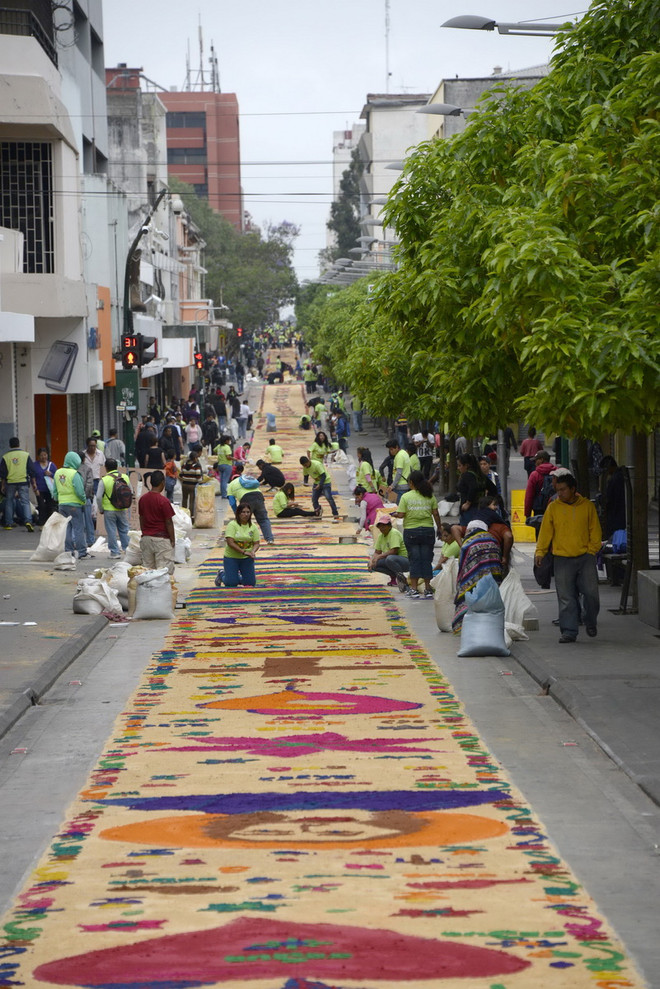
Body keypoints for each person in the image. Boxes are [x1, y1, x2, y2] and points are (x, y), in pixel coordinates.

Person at [535, 473, 602, 643]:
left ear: (573, 489)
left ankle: (590, 620)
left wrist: (592, 550)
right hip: (562, 559)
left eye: (563, 490)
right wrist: (540, 552)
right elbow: (545, 532)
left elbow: (595, 530)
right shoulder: (553, 508)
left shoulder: (587, 506)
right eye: (558, 490)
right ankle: (569, 631)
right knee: (566, 597)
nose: (560, 494)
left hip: (585, 557)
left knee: (591, 594)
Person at [392, 471, 441, 599]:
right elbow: (435, 513)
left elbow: (401, 514)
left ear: (411, 483)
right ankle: (428, 588)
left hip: (411, 532)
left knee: (414, 559)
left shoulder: (406, 497)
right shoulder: (429, 496)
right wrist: (440, 528)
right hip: (428, 531)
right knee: (426, 559)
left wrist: (394, 514)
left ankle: (413, 589)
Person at [452, 520, 504, 632]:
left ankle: (465, 625)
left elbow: (463, 568)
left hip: (474, 576)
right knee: (491, 595)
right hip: (492, 576)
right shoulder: (493, 539)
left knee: (471, 592)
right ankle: (492, 625)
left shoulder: (468, 543)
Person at [138, 469, 175, 573]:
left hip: (146, 539)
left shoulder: (143, 499)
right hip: (161, 540)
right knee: (163, 572)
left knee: (147, 571)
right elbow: (169, 522)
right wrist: (172, 539)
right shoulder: (163, 501)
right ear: (163, 482)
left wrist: (144, 533)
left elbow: (141, 518)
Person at [53, 452, 88, 558]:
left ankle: (68, 550)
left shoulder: (57, 472)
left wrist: (58, 499)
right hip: (74, 505)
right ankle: (81, 551)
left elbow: (54, 490)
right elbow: (79, 491)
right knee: (78, 528)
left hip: (62, 504)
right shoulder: (74, 474)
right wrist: (84, 500)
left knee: (66, 528)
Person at [228, 466, 275, 544]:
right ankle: (269, 539)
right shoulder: (246, 480)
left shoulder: (231, 485)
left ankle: (244, 539)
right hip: (259, 496)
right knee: (263, 519)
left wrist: (237, 513)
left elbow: (232, 502)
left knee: (244, 520)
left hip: (246, 498)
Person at [96, 458, 131, 558]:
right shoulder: (125, 477)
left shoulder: (104, 480)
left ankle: (115, 552)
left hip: (109, 510)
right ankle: (127, 550)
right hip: (122, 508)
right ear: (117, 467)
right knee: (124, 529)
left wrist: (101, 508)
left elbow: (98, 497)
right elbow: (130, 491)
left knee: (111, 530)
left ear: (106, 468)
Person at [1, 437, 36, 531]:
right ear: (19, 444)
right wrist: (34, 484)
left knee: (9, 501)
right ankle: (28, 521)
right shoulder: (25, 455)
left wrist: (3, 485)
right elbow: (31, 470)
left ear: (9, 445)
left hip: (10, 482)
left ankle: (9, 523)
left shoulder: (5, 457)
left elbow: (3, 473)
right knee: (25, 502)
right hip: (23, 481)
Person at [368, 512, 410, 588]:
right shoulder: (381, 536)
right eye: (380, 526)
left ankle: (402, 579)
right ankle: (393, 578)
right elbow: (377, 552)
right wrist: (372, 561)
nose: (382, 528)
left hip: (404, 561)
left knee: (390, 558)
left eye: (384, 526)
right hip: (392, 561)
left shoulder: (394, 533)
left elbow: (394, 551)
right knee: (374, 564)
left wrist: (379, 557)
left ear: (389, 526)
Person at [300, 455, 340, 522]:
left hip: (325, 482)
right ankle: (318, 512)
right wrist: (305, 482)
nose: (305, 466)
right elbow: (306, 476)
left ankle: (335, 514)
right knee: (314, 499)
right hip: (316, 482)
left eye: (306, 465)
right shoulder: (305, 467)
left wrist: (320, 484)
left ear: (308, 461)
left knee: (329, 498)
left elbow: (323, 475)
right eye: (304, 465)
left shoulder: (317, 464)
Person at [524, 451, 557, 520]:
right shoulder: (557, 472)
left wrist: (527, 514)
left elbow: (529, 495)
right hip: (556, 506)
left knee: (540, 529)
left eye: (536, 460)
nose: (535, 463)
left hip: (539, 509)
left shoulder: (535, 475)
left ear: (541, 460)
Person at [599, 455, 626, 538]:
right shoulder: (620, 476)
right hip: (620, 513)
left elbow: (609, 498)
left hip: (616, 515)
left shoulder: (615, 479)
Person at [33, 447, 57, 525]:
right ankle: (41, 522)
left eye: (45, 455)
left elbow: (57, 476)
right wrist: (35, 488)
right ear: (38, 456)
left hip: (50, 490)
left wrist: (51, 474)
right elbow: (33, 477)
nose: (43, 457)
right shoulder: (35, 465)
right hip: (39, 489)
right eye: (41, 455)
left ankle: (49, 523)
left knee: (50, 506)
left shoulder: (52, 465)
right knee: (41, 506)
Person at [179, 449, 204, 521]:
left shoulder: (184, 464)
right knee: (191, 501)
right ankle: (191, 517)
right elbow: (198, 477)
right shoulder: (196, 465)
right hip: (192, 486)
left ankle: (183, 515)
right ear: (195, 458)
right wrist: (201, 481)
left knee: (184, 500)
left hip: (184, 485)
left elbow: (181, 475)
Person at [385, 439, 411, 504]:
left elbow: (399, 473)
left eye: (392, 449)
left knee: (399, 507)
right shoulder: (404, 453)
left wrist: (392, 486)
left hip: (400, 486)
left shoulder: (399, 456)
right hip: (406, 484)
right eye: (389, 449)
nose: (391, 451)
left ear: (396, 447)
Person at [213, 435, 234, 499]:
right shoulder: (227, 447)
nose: (229, 442)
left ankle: (223, 493)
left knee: (222, 480)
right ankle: (224, 495)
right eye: (229, 440)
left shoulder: (219, 446)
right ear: (226, 441)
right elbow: (228, 457)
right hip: (227, 465)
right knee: (225, 480)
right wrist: (234, 458)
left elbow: (214, 450)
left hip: (220, 465)